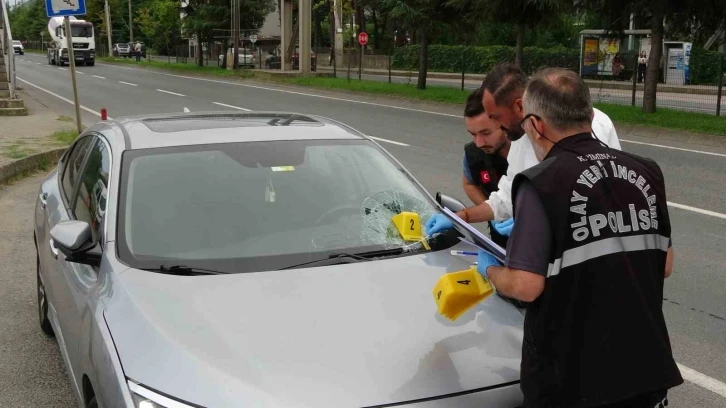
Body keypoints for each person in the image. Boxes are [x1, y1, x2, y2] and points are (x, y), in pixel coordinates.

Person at [476, 67, 683, 407]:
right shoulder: (646, 171)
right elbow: (665, 264)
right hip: (646, 369)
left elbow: (526, 285)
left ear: (537, 125)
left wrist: (491, 270)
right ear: (587, 114)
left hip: (572, 379)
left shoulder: (540, 183)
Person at [425, 63, 621, 237]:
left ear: (520, 106)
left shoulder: (596, 128)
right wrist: (461, 217)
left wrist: (534, 224)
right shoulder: (519, 140)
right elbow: (506, 198)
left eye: (495, 116)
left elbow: (600, 204)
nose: (495, 125)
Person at [461, 87, 511, 248]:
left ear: (502, 121)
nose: (479, 143)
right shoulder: (473, 155)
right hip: (502, 239)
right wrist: (490, 210)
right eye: (473, 134)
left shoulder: (531, 150)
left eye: (486, 133)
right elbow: (469, 183)